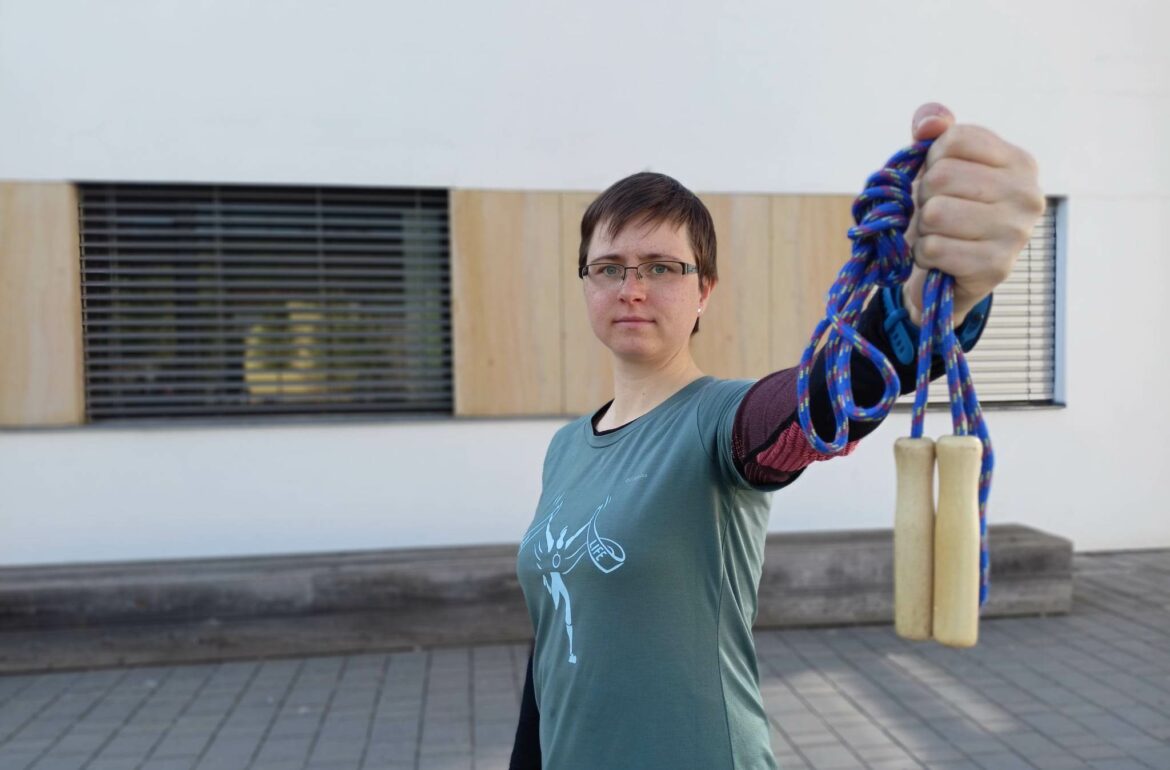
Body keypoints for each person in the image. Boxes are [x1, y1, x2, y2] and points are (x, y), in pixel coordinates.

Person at [510, 103, 1044, 769]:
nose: (632, 288)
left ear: (704, 291)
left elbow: (814, 403)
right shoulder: (565, 448)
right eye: (609, 267)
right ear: (586, 284)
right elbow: (552, 646)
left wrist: (921, 308)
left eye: (661, 267)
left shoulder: (722, 422)